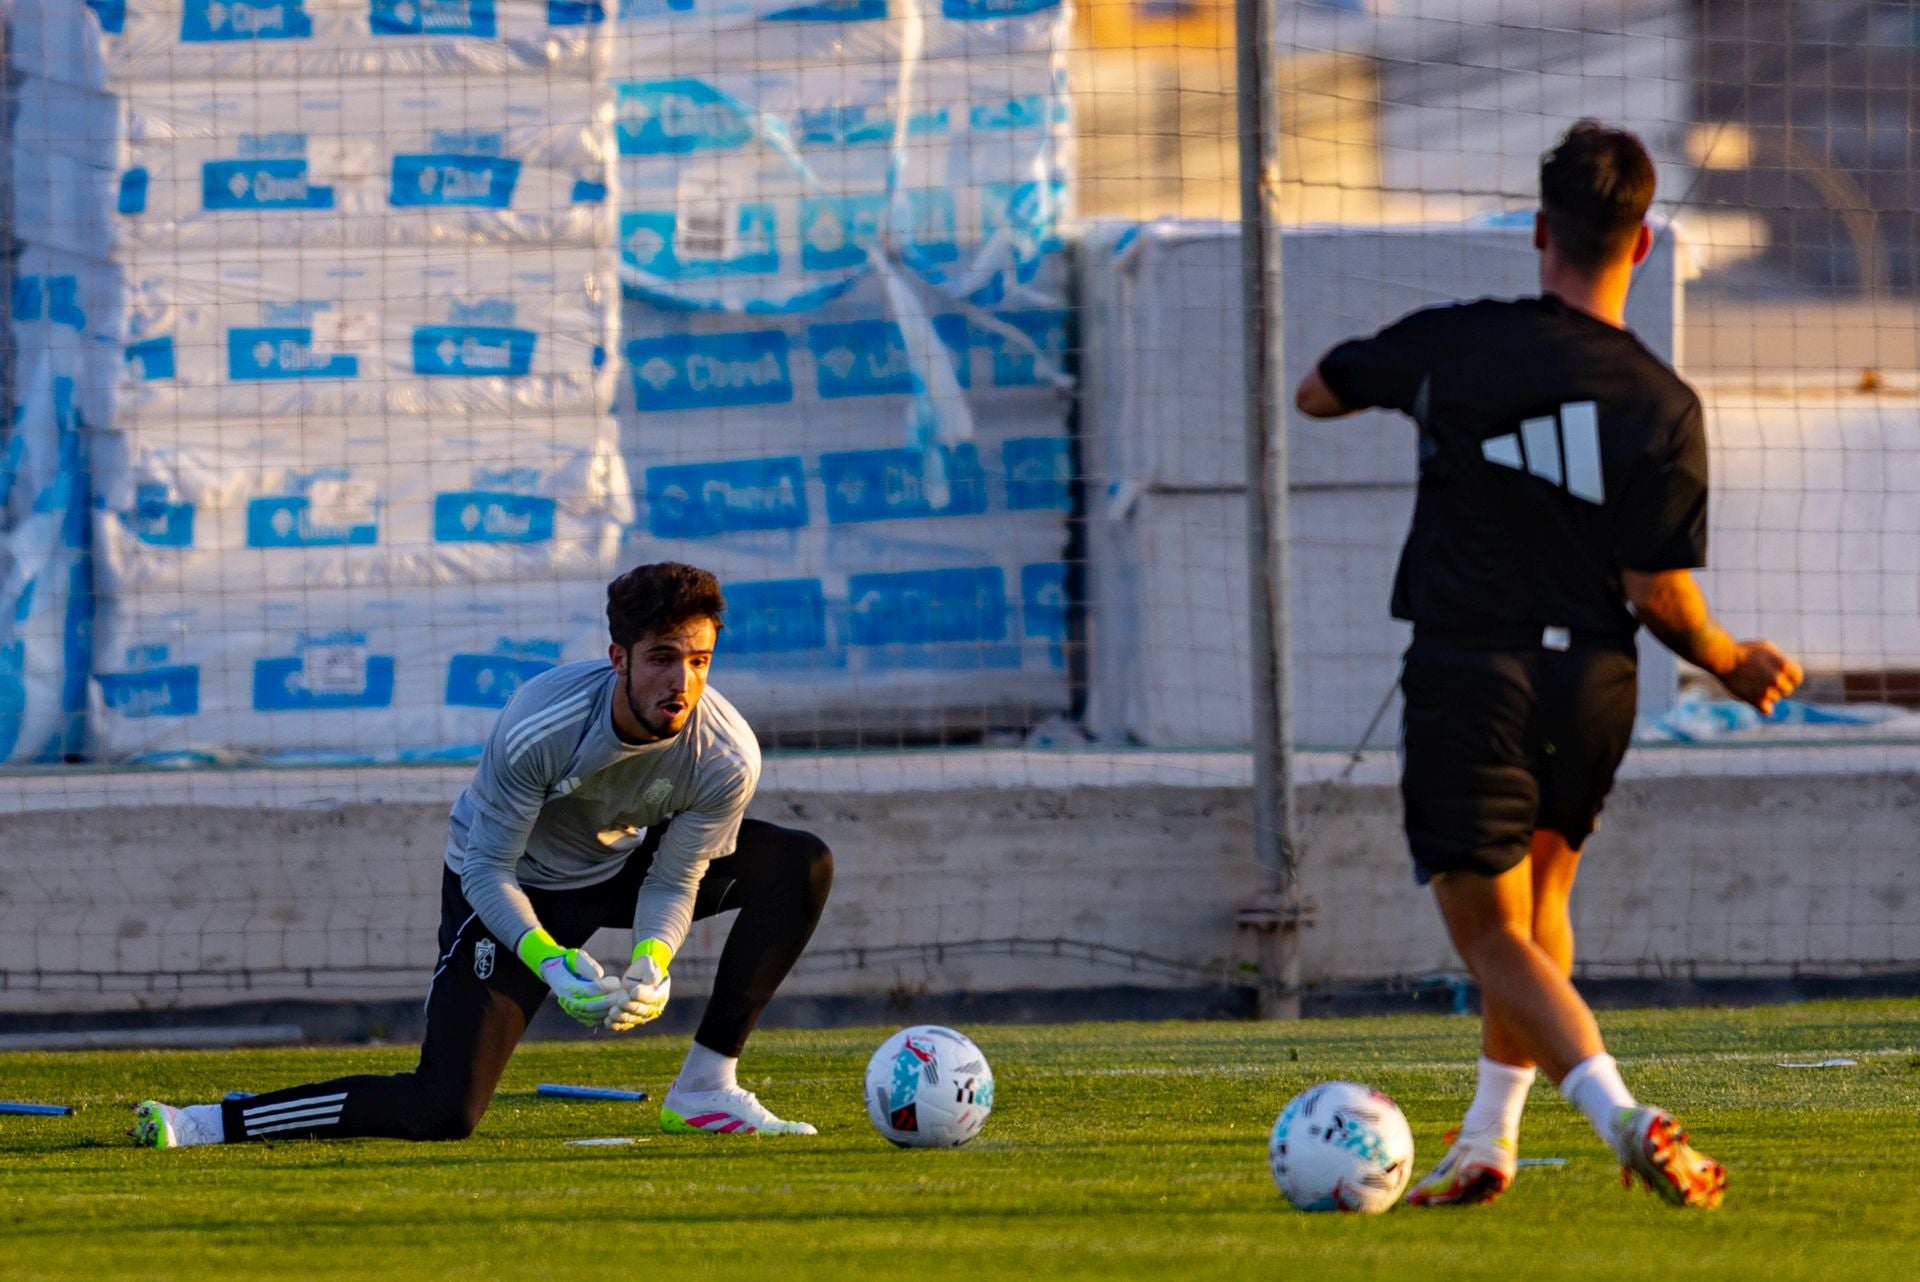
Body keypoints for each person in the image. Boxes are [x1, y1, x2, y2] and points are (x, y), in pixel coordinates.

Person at [1295, 120, 1801, 1209]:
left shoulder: (1461, 343)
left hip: (1476, 672)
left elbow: (1319, 391)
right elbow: (1657, 590)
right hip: (1594, 683)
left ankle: (1626, 1115)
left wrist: (1429, 400)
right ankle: (1489, 1139)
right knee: (1541, 909)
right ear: (1645, 245)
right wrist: (1731, 658)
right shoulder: (1664, 403)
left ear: (1538, 230)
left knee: (1487, 934)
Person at [130, 562, 834, 1146]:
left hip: (621, 870)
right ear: (618, 658)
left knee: (800, 864)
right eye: (661, 660)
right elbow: (485, 871)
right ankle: (206, 1124)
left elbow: (678, 876)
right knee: (444, 1111)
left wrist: (654, 961)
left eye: (699, 660)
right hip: (512, 890)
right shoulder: (541, 725)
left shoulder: (726, 756)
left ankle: (707, 1086)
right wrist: (551, 961)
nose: (682, 684)